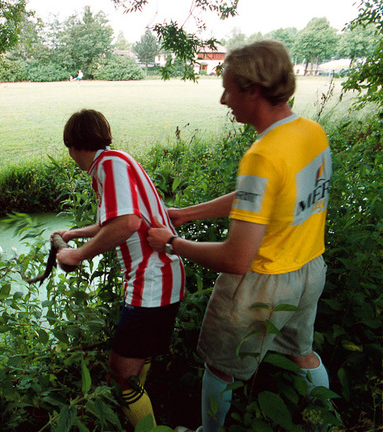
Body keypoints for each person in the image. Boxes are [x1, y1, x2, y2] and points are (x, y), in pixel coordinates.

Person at [147, 40, 332, 432]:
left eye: (228, 88)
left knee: (220, 367)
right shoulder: (311, 132)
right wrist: (188, 214)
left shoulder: (262, 156)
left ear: (253, 90)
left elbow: (235, 260)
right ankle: (328, 424)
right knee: (303, 354)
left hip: (260, 287)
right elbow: (265, 197)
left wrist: (169, 243)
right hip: (309, 271)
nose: (222, 99)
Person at [54, 109, 186, 428]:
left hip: (150, 281)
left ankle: (149, 429)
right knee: (138, 361)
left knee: (120, 371)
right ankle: (145, 417)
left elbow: (128, 223)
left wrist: (77, 255)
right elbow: (113, 220)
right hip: (165, 277)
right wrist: (73, 234)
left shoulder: (107, 166)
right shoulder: (117, 160)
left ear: (74, 144)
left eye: (69, 148)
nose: (71, 156)